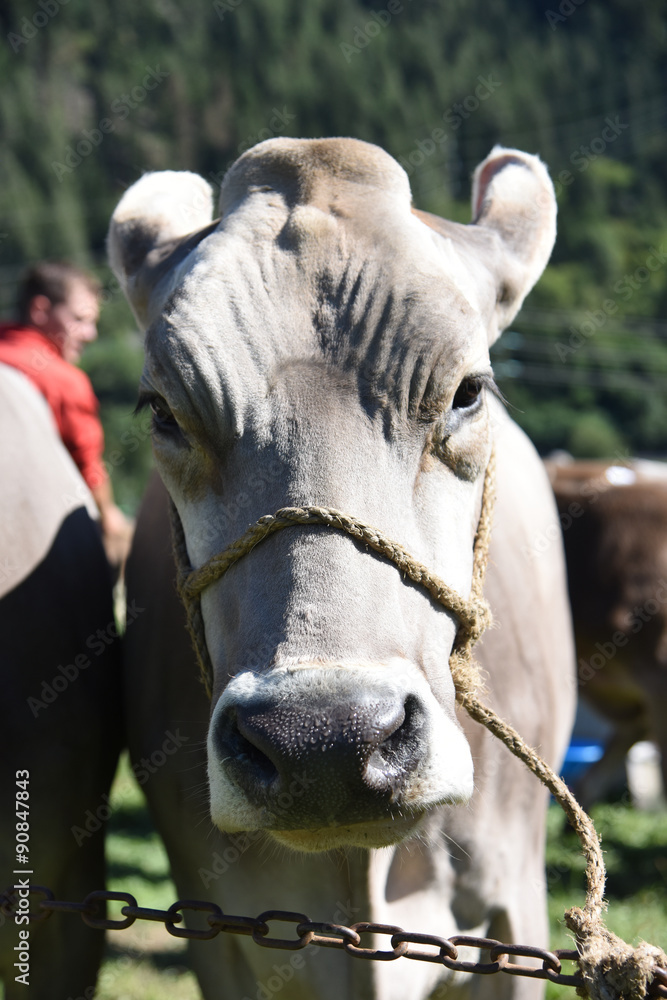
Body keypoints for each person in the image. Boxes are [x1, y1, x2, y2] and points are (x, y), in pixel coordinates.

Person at [0, 260, 132, 565]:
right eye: (80, 319)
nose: (90, 334)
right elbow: (89, 470)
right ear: (40, 310)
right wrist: (110, 520)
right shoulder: (62, 382)